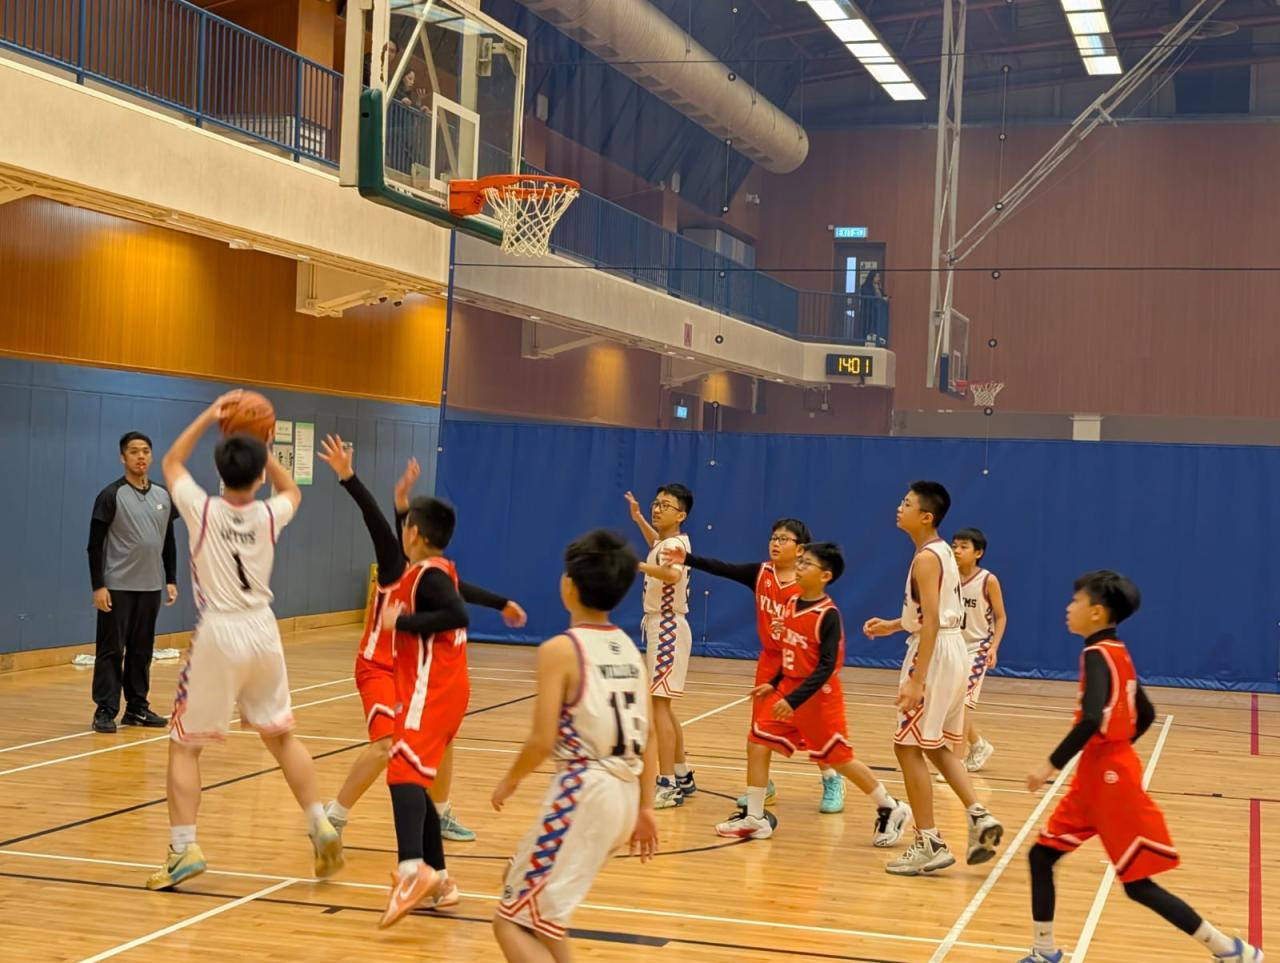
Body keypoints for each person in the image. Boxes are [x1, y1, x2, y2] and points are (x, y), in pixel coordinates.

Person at [147, 392, 343, 891]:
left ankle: (183, 848)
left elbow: (171, 462)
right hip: (263, 629)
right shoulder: (269, 514)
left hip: (219, 631)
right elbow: (292, 490)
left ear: (219, 471)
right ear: (258, 477)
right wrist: (262, 446)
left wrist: (212, 417)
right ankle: (319, 821)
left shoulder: (202, 510)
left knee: (183, 745)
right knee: (281, 736)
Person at [1019, 571, 1262, 963]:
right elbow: (1145, 713)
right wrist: (1115, 750)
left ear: (1097, 612)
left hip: (1109, 781)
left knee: (1137, 884)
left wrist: (1050, 765)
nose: (1068, 607)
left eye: (1076, 601)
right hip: (1100, 773)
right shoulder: (1118, 651)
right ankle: (1044, 951)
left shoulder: (1096, 655)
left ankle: (1229, 950)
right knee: (1041, 856)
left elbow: (1090, 719)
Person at [316, 439, 525, 847]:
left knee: (443, 737)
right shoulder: (395, 566)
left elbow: (459, 590)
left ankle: (441, 814)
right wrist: (348, 477)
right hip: (378, 667)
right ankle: (334, 817)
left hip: (413, 671)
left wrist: (501, 603)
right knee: (386, 744)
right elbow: (376, 521)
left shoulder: (430, 573)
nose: (406, 532)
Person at [492, 530, 659, 961]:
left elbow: (541, 740)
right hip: (625, 795)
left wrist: (510, 780)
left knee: (509, 921)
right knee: (542, 914)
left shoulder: (560, 650)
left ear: (568, 585)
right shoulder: (629, 648)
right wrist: (646, 808)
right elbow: (650, 736)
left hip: (585, 792)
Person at [714, 543, 912, 846]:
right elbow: (790, 652)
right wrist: (775, 682)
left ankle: (890, 806)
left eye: (807, 564)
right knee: (757, 741)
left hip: (819, 699)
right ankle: (755, 817)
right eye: (801, 562)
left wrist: (792, 700)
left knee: (840, 759)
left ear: (825, 575)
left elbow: (826, 667)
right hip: (789, 690)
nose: (800, 567)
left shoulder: (827, 614)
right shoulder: (792, 603)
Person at [863, 481, 1002, 876]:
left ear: (926, 516)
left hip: (935, 654)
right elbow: (934, 612)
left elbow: (933, 621)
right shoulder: (942, 552)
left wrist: (916, 678)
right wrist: (894, 625)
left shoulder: (927, 558)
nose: (899, 507)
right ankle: (979, 815)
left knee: (906, 747)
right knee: (937, 745)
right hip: (954, 650)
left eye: (906, 503)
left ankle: (929, 842)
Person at [663, 520, 844, 814]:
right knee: (759, 729)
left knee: (811, 727)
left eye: (783, 539)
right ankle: (763, 785)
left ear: (800, 549)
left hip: (801, 662)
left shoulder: (807, 584)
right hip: (770, 662)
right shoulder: (761, 573)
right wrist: (688, 559)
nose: (775, 543)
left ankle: (831, 778)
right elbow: (723, 568)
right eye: (773, 538)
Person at [87, 431, 180, 732]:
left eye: (145, 451)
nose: (140, 456)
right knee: (112, 650)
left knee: (142, 650)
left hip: (150, 587)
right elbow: (94, 545)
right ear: (122, 457)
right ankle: (105, 710)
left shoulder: (163, 495)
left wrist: (171, 578)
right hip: (117, 587)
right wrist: (98, 586)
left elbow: (168, 540)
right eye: (133, 451)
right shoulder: (110, 495)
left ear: (151, 456)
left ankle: (137, 708)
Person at [625, 484, 697, 808]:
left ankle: (666, 783)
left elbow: (671, 575)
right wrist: (639, 518)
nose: (657, 508)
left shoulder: (676, 546)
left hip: (667, 625)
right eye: (656, 503)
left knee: (659, 709)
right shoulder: (667, 542)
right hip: (662, 625)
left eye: (665, 505)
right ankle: (681, 774)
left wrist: (636, 566)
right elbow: (656, 545)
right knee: (663, 707)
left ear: (681, 515)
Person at [952, 527, 1007, 772]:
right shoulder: (947, 576)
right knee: (950, 706)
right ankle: (978, 745)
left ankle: (955, 762)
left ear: (978, 552)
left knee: (961, 705)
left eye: (963, 546)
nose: (957, 550)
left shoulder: (988, 580)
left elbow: (1001, 616)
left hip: (977, 648)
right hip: (952, 645)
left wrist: (994, 647)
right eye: (954, 545)